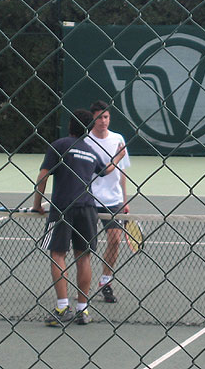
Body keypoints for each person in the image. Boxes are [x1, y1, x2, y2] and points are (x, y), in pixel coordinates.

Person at [33, 108, 126, 326]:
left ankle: (62, 307)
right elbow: (107, 169)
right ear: (88, 128)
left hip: (63, 207)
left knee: (58, 254)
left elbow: (43, 176)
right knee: (83, 257)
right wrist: (119, 156)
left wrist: (37, 205)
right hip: (88, 208)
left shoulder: (60, 145)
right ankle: (82, 311)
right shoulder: (91, 152)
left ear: (69, 126)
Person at [84, 100, 131, 304]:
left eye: (106, 117)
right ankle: (82, 285)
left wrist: (124, 200)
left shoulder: (118, 139)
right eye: (99, 117)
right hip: (88, 200)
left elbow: (121, 172)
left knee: (115, 240)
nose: (103, 121)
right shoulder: (85, 141)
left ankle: (106, 282)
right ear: (92, 118)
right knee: (86, 246)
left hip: (113, 201)